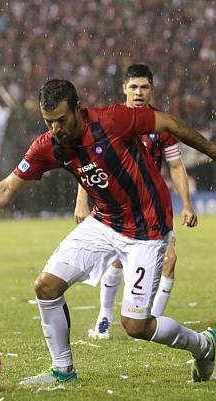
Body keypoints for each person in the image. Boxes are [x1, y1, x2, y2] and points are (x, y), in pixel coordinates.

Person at [0, 79, 216, 385]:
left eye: (61, 120)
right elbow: (7, 188)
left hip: (147, 229)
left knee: (136, 325)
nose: (56, 129)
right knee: (46, 286)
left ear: (77, 110)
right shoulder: (49, 145)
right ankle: (63, 372)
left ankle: (203, 345)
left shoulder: (113, 120)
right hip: (104, 222)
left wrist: (211, 150)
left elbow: (168, 123)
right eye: (48, 122)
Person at [73, 64, 197, 339]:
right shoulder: (111, 120)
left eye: (144, 87)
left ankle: (152, 320)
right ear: (124, 89)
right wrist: (82, 200)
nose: (139, 92)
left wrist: (187, 204)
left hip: (150, 207)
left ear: (152, 90)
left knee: (170, 259)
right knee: (117, 262)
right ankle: (104, 317)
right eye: (133, 87)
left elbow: (176, 166)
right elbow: (87, 162)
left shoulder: (161, 124)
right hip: (115, 205)